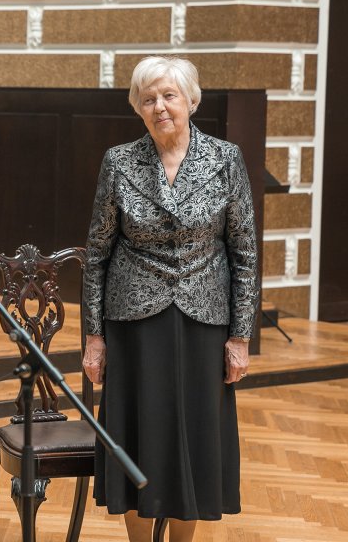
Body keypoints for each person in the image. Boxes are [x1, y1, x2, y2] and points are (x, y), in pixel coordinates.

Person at [81, 56, 259, 542]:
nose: (159, 106)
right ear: (138, 108)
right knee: (137, 440)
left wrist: (241, 337)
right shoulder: (118, 160)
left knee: (197, 443)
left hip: (205, 323)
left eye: (169, 96)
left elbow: (245, 253)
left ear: (191, 100)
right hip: (132, 323)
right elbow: (96, 254)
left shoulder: (225, 159)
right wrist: (94, 337)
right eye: (148, 98)